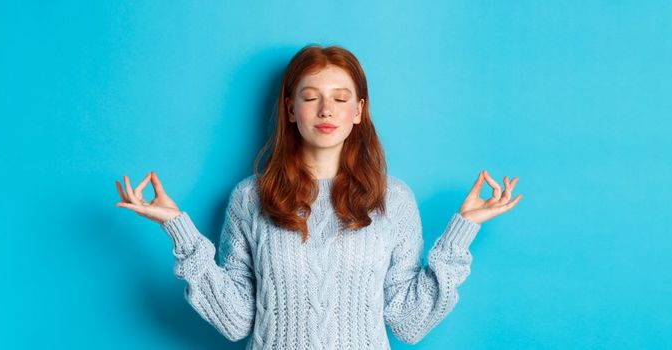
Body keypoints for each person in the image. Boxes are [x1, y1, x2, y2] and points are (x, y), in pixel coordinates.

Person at [114, 44, 523, 349]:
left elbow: (408, 322)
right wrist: (177, 229)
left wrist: (462, 231)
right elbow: (235, 320)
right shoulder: (250, 198)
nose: (326, 110)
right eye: (311, 97)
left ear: (358, 111)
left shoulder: (393, 199)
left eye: (340, 98)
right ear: (291, 109)